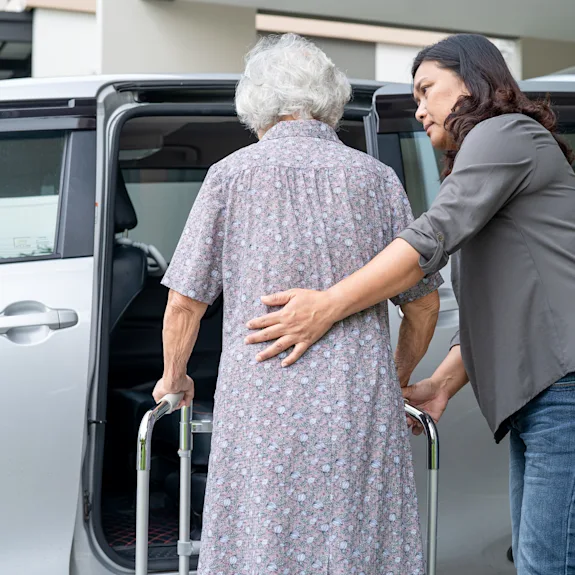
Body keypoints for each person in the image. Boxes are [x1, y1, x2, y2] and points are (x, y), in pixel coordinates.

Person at [244, 33, 575, 574]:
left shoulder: (505, 132)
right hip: (546, 394)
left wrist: (329, 304)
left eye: (426, 90)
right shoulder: (491, 154)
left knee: (547, 563)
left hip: (563, 391)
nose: (419, 109)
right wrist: (440, 385)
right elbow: (511, 307)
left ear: (472, 81)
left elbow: (429, 238)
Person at [152, 33, 443, 575]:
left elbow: (184, 305)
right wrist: (394, 379)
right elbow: (423, 307)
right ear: (331, 101)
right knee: (358, 543)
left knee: (262, 541)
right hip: (358, 407)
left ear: (254, 104)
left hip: (261, 407)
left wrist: (175, 379)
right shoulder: (378, 180)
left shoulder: (230, 176)